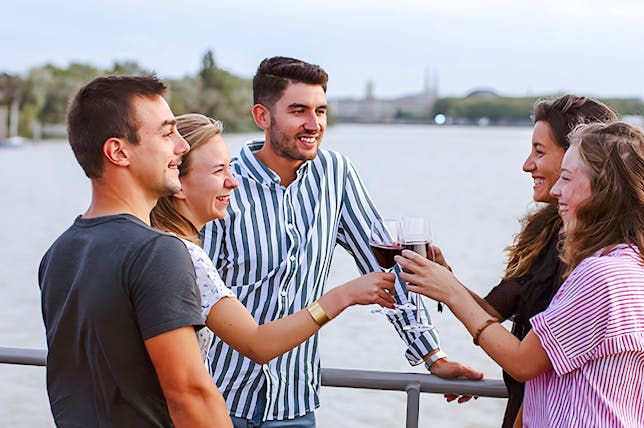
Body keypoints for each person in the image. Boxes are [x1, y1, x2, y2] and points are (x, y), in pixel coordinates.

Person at [202, 56, 482, 426]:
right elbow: (195, 300)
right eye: (298, 111)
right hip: (218, 403)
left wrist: (432, 354)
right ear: (262, 116)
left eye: (321, 111)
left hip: (293, 408)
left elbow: (384, 268)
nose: (313, 124)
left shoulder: (335, 174)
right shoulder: (223, 183)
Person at [397, 122, 644, 427]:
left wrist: (451, 293)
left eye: (566, 177)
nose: (557, 190)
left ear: (605, 190)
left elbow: (523, 362)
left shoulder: (600, 275)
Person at [38, 76, 232, 427]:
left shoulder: (58, 253)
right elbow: (190, 394)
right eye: (166, 133)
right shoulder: (158, 252)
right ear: (118, 152)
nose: (182, 146)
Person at [150, 112, 396, 363]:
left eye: (230, 168)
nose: (233, 182)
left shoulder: (152, 243)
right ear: (177, 183)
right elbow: (258, 344)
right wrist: (344, 296)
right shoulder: (188, 258)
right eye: (218, 171)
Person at [435, 94, 617, 427]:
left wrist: (449, 291)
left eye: (539, 151)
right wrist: (444, 278)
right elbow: (492, 312)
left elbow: (535, 366)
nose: (527, 164)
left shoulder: (601, 261)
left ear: (578, 156)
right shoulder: (544, 230)